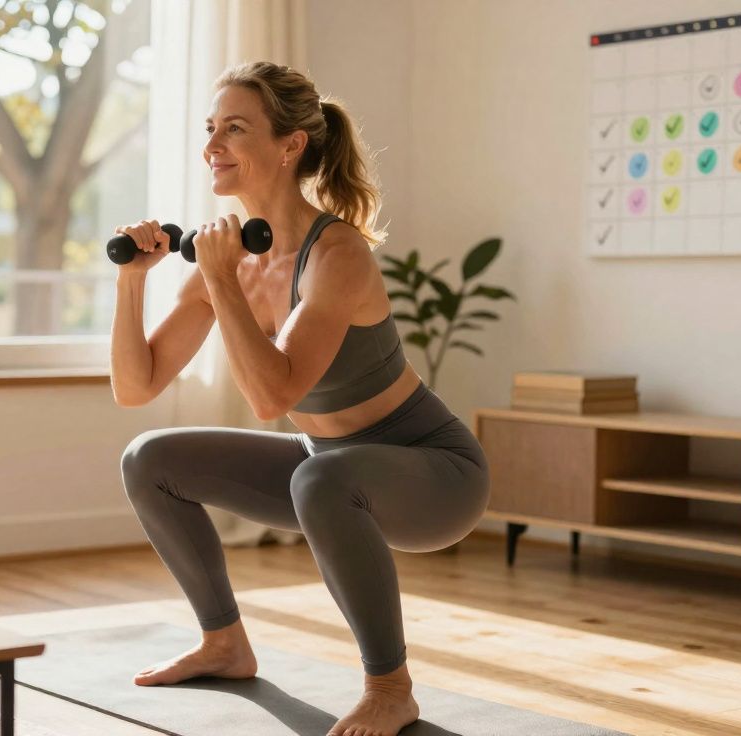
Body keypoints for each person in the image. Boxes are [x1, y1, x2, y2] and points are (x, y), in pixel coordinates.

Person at [110, 60, 490, 736]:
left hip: (434, 473)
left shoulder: (336, 254)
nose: (212, 146)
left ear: (290, 145)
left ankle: (390, 688)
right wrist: (133, 280)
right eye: (210, 129)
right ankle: (223, 643)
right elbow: (135, 388)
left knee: (321, 478)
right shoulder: (229, 259)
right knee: (150, 459)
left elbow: (272, 395)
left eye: (234, 128)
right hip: (328, 464)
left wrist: (222, 281)